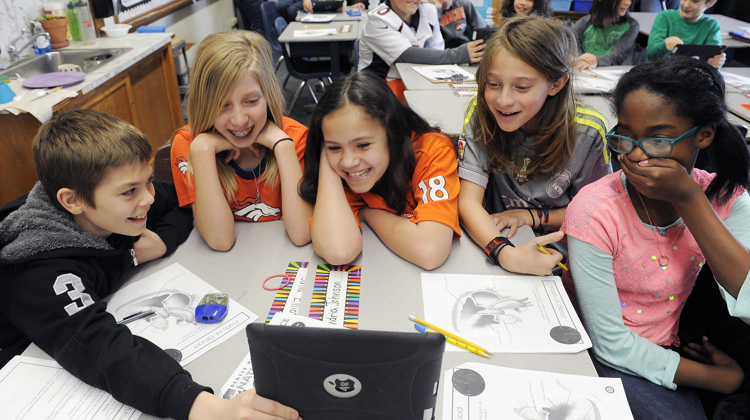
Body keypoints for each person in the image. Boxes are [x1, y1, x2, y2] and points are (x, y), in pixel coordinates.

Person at [0, 109, 301, 420]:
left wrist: (160, 242)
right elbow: (102, 350)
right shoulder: (36, 265)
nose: (148, 198)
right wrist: (205, 407)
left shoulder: (108, 204)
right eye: (130, 191)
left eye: (148, 182)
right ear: (72, 201)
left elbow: (182, 205)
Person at [562, 56, 750, 419]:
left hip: (670, 348)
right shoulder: (595, 209)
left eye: (659, 140)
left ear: (704, 135)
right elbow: (610, 346)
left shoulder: (727, 198)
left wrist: (689, 198)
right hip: (604, 354)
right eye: (625, 137)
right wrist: (720, 379)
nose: (634, 155)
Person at [457, 15, 611, 276]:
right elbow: (468, 201)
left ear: (556, 84)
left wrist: (531, 216)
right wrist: (504, 253)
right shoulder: (480, 112)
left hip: (554, 253)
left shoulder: (588, 133)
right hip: (494, 237)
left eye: (522, 87)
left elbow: (593, 214)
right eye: (493, 84)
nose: (503, 100)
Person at [299, 71, 461, 270]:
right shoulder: (339, 172)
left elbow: (430, 252)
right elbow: (338, 252)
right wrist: (324, 153)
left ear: (392, 134)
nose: (349, 162)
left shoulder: (432, 152)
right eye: (334, 147)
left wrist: (368, 213)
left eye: (363, 145)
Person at [170, 30, 311, 251]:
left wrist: (283, 147)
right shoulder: (189, 145)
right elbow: (220, 241)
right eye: (223, 105)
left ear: (268, 96)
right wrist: (201, 150)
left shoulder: (296, 138)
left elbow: (302, 233)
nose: (239, 120)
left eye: (251, 101)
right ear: (203, 104)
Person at [358, 0, 485, 102]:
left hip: (422, 78)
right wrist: (459, 54)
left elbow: (437, 50)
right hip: (381, 84)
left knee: (462, 100)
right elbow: (406, 55)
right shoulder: (376, 19)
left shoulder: (428, 10)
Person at [646, 0, 725, 68]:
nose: (686, 5)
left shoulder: (712, 25)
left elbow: (713, 58)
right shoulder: (665, 16)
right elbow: (651, 53)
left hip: (692, 76)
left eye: (695, 1)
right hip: (659, 73)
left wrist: (717, 62)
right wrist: (665, 44)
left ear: (710, 2)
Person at [572, 0, 640, 70]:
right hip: (581, 69)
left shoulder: (631, 25)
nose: (628, 3)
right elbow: (570, 46)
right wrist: (578, 59)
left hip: (608, 72)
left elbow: (619, 54)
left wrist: (595, 60)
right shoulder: (585, 22)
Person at [276, 0, 368, 22]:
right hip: (316, 1)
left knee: (292, 10)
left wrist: (359, 2)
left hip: (340, 5)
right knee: (283, 6)